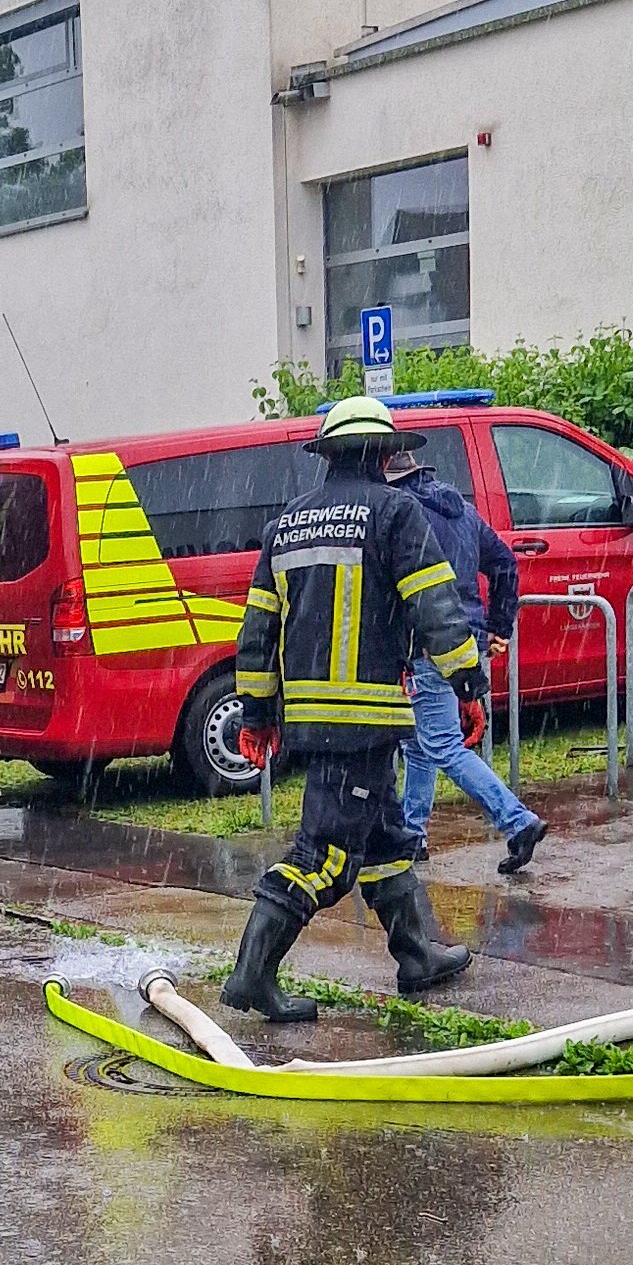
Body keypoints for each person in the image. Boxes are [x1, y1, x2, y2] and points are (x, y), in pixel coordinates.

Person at [222, 397, 492, 1022]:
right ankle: (251, 975)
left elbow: (257, 630)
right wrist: (468, 684)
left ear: (328, 454)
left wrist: (259, 713)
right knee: (326, 857)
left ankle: (417, 953)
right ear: (382, 452)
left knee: (387, 838)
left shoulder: (286, 524)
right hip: (365, 718)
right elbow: (436, 606)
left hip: (312, 720)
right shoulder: (396, 512)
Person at [386, 446, 546, 877]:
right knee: (419, 744)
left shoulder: (403, 514)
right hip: (467, 639)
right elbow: (505, 564)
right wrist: (498, 627)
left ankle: (517, 821)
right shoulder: (462, 512)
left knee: (442, 745)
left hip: (428, 641)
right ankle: (412, 834)